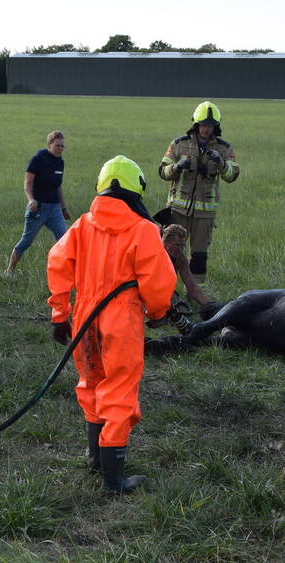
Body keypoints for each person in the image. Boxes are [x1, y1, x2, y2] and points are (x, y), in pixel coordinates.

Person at [46, 155, 175, 493]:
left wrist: (60, 314)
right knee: (118, 390)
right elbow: (159, 282)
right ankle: (113, 479)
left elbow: (57, 263)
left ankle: (95, 458)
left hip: (85, 317)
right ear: (136, 191)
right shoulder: (144, 230)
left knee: (90, 382)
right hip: (122, 319)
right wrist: (159, 314)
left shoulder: (83, 225)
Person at [158, 101, 239, 284]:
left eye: (210, 126)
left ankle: (196, 297)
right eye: (203, 124)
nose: (206, 129)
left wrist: (222, 163)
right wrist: (177, 167)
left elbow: (232, 175)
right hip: (178, 211)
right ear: (196, 124)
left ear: (215, 127)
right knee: (171, 252)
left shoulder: (224, 149)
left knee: (199, 257)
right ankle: (166, 291)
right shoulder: (179, 144)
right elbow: (163, 171)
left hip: (205, 215)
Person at [5, 130, 69, 275]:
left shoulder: (60, 162)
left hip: (54, 209)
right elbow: (27, 183)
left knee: (64, 240)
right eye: (58, 146)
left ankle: (63, 273)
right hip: (38, 208)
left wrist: (63, 209)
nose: (60, 149)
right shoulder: (38, 159)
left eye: (62, 146)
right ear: (49, 144)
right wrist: (31, 200)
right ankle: (10, 270)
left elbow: (58, 186)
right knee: (26, 241)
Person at [161, 224, 222, 320]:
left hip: (166, 293)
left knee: (181, 310)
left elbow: (193, 288)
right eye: (177, 245)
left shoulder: (180, 259)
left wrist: (211, 306)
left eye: (182, 245)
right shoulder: (153, 253)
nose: (180, 250)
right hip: (143, 292)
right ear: (165, 241)